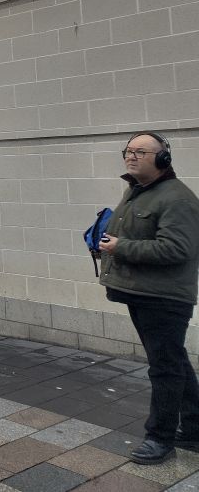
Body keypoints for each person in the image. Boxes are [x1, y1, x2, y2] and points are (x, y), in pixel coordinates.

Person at [98, 132, 199, 465]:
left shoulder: (177, 198)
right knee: (175, 361)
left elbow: (177, 249)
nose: (132, 156)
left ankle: (160, 438)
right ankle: (195, 428)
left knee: (165, 368)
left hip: (164, 298)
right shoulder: (136, 192)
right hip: (140, 292)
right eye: (128, 151)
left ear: (163, 158)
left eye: (141, 151)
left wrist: (120, 247)